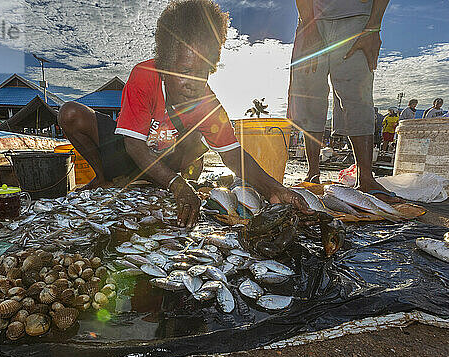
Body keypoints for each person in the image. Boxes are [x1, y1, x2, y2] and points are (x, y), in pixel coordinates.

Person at [58, 0, 310, 228]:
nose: (194, 82)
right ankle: (103, 179)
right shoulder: (144, 75)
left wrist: (276, 190)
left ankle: (157, 180)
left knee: (198, 147)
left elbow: (233, 155)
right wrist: (177, 185)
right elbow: (134, 144)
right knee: (69, 113)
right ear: (165, 65)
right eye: (185, 70)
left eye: (203, 72)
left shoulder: (207, 102)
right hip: (129, 154)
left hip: (166, 162)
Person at [287, 0, 398, 201]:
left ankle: (366, 178)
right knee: (309, 95)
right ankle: (313, 173)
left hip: (358, 21)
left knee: (357, 95)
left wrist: (373, 27)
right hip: (311, 19)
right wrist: (308, 24)